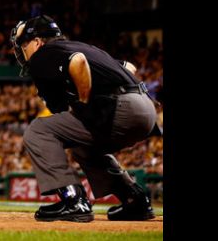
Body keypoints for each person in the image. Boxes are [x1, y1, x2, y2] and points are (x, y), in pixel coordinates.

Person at [10, 15, 159, 222]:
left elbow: (77, 61)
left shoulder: (44, 54)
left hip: (120, 108)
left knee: (38, 131)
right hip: (145, 108)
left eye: (23, 44)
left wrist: (84, 102)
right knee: (82, 146)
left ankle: (73, 200)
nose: (21, 51)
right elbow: (129, 67)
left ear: (37, 41)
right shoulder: (80, 46)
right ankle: (135, 200)